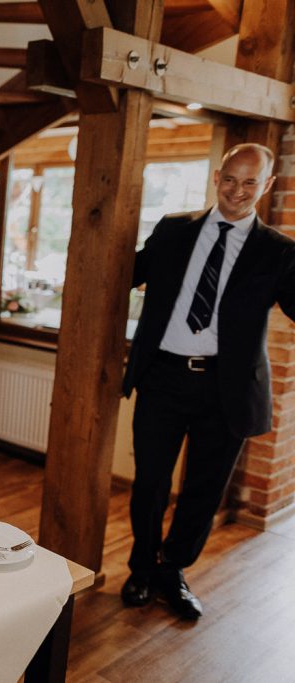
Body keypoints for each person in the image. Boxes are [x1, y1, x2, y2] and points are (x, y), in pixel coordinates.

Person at [121, 143, 295, 620]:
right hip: (164, 378)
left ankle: (172, 571)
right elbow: (121, 274)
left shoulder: (279, 252)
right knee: (151, 484)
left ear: (267, 186)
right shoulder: (174, 231)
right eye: (229, 179)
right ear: (217, 176)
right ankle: (140, 567)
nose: (237, 191)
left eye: (249, 183)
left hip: (227, 390)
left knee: (203, 490)